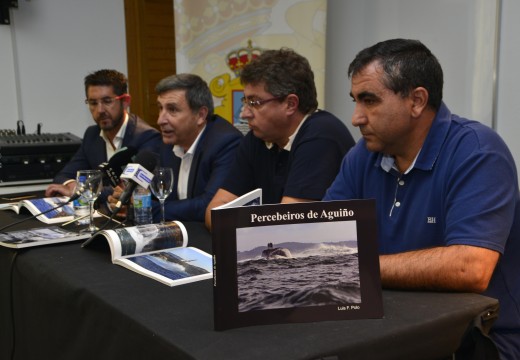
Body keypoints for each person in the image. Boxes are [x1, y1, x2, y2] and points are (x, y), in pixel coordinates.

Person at [323, 38, 520, 358]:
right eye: (355, 101)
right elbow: (325, 241)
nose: (356, 117)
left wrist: (352, 266)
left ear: (416, 101)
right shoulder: (363, 155)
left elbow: (470, 267)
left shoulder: (478, 151)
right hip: (390, 328)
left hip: (477, 338)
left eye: (369, 100)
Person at [205, 48, 356, 229]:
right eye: (245, 102)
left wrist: (236, 226)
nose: (244, 114)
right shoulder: (258, 137)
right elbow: (214, 212)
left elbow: (289, 225)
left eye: (254, 103)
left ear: (290, 104)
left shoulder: (321, 134)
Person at [109, 73, 243, 222]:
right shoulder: (168, 143)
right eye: (160, 108)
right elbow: (155, 193)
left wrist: (145, 208)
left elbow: (208, 206)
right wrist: (125, 198)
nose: (160, 120)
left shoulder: (226, 142)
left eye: (172, 110)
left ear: (200, 115)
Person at [45, 69, 162, 200]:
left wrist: (81, 190)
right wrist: (71, 184)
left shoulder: (147, 137)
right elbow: (64, 175)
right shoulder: (92, 134)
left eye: (107, 101)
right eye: (93, 103)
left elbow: (134, 189)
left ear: (125, 101)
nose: (100, 110)